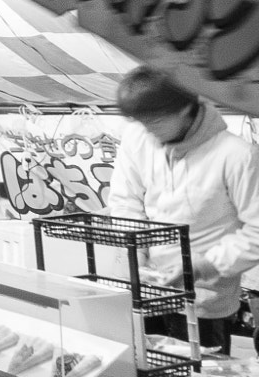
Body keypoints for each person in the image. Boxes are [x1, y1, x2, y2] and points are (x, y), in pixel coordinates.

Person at [109, 66, 259, 351]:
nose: (147, 128)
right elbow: (125, 199)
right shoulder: (137, 138)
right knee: (146, 376)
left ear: (186, 107)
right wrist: (136, 254)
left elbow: (256, 233)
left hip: (204, 299)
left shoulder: (237, 156)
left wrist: (199, 267)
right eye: (140, 120)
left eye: (154, 119)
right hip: (148, 289)